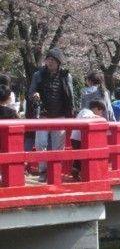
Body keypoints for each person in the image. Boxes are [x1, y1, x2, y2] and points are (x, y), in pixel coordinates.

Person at [28, 48, 75, 176]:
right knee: (40, 143)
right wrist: (35, 94)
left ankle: (55, 171)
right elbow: (31, 91)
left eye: (53, 60)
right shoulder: (38, 75)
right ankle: (43, 169)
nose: (50, 62)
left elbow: (71, 95)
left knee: (58, 144)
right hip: (43, 113)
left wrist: (71, 113)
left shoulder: (66, 76)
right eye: (48, 60)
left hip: (60, 114)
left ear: (59, 62)